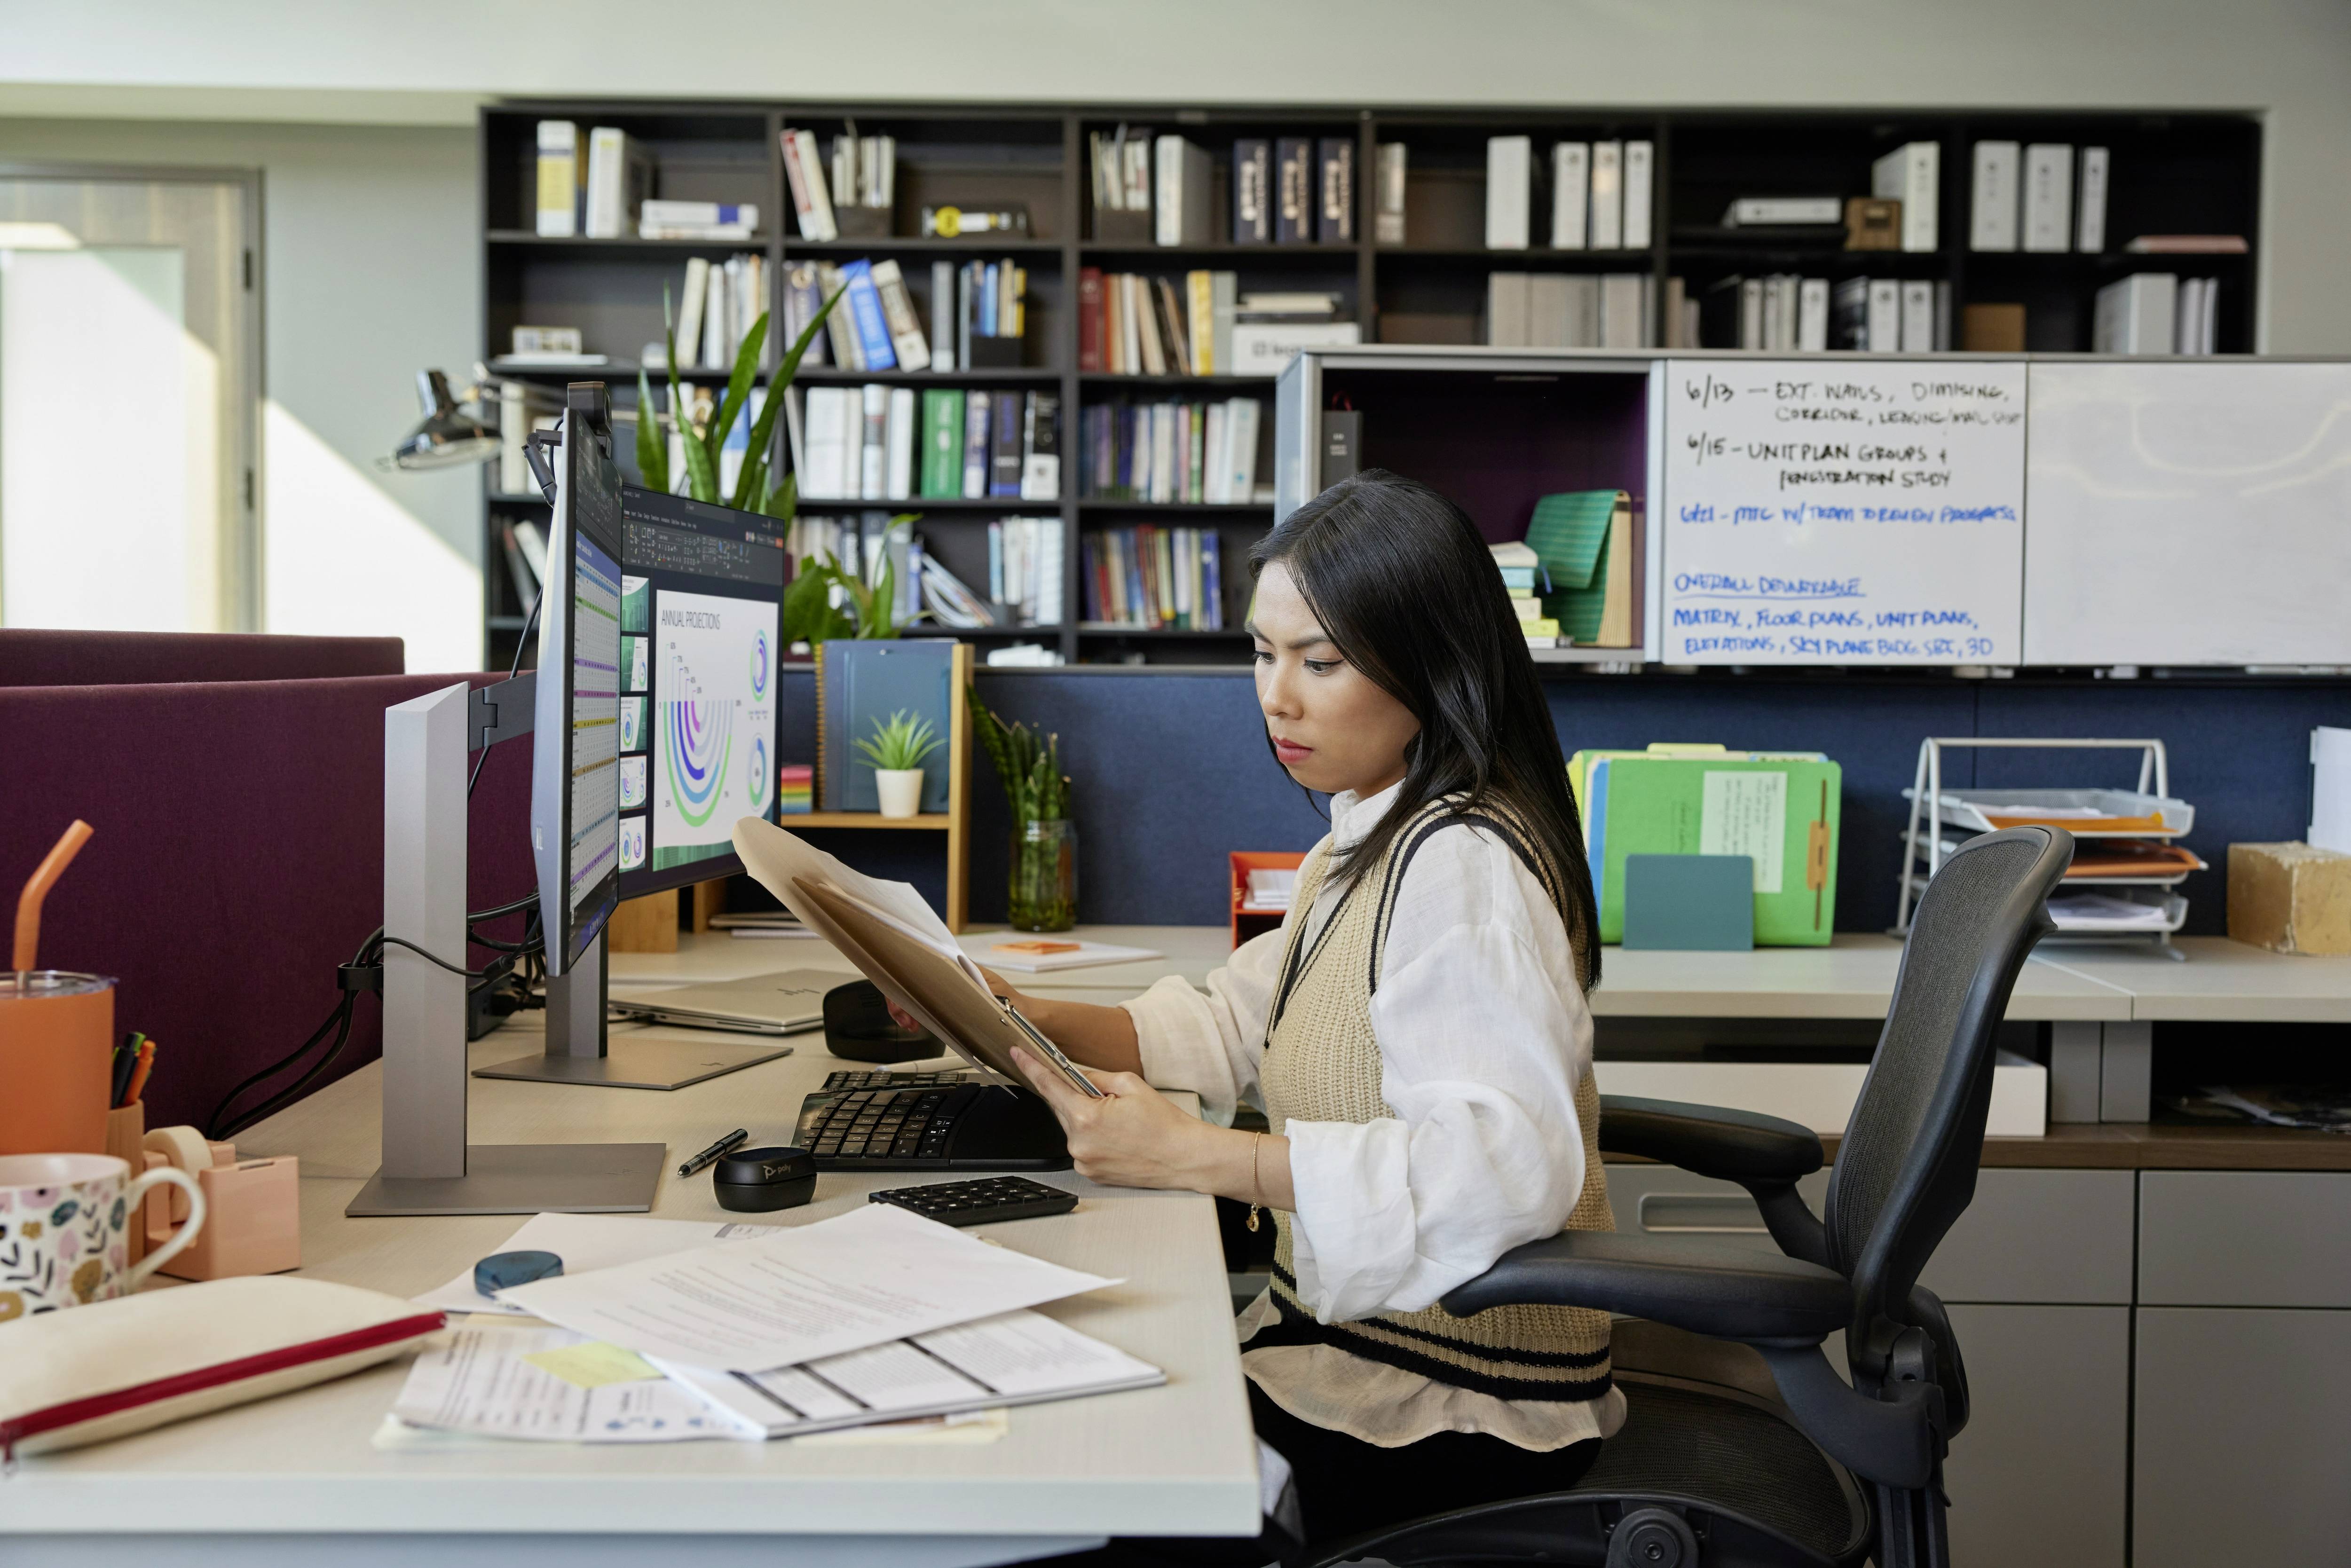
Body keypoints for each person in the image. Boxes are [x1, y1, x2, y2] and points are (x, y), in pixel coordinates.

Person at [995, 470, 1618, 1560]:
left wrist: (1201, 1160)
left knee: (1073, 1495)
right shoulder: (1365, 836)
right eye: (1261, 652)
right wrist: (1003, 1010)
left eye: (1320, 663)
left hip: (1452, 1398)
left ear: (1434, 665)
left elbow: (1501, 1169)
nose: (1276, 697)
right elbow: (1236, 1026)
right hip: (1347, 1345)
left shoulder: (1461, 865)